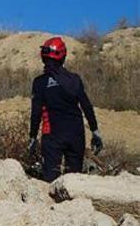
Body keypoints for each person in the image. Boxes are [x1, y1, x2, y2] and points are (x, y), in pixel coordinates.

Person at [28, 37, 103, 182]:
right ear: (63, 57)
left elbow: (36, 113)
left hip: (52, 136)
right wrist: (95, 131)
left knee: (50, 180)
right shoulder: (74, 79)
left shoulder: (39, 82)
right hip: (76, 134)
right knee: (74, 181)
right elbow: (86, 106)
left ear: (44, 57)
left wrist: (32, 137)